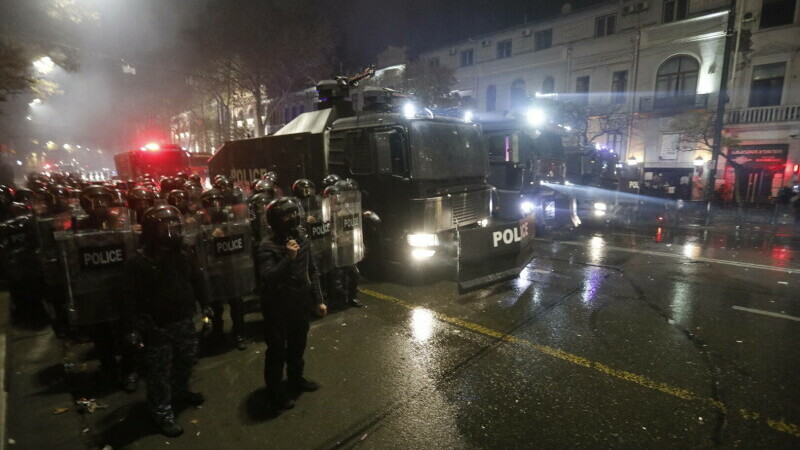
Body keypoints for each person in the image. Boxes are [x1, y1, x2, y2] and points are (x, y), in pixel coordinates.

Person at [124, 205, 211, 437]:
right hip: (157, 326)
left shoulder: (184, 253)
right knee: (159, 373)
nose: (171, 232)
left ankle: (180, 392)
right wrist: (132, 328)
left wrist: (207, 307)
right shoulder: (138, 262)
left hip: (184, 319)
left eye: (174, 226)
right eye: (165, 227)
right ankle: (161, 411)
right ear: (152, 230)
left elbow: (198, 281)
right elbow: (130, 298)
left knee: (186, 361)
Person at [259, 197, 326, 411]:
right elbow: (268, 276)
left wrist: (318, 300)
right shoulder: (267, 246)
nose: (294, 218)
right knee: (277, 350)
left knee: (298, 345)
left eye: (294, 212)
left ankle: (296, 379)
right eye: (287, 215)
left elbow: (312, 271)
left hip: (300, 302)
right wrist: (288, 258)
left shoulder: (302, 239)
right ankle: (275, 390)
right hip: (276, 306)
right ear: (276, 220)